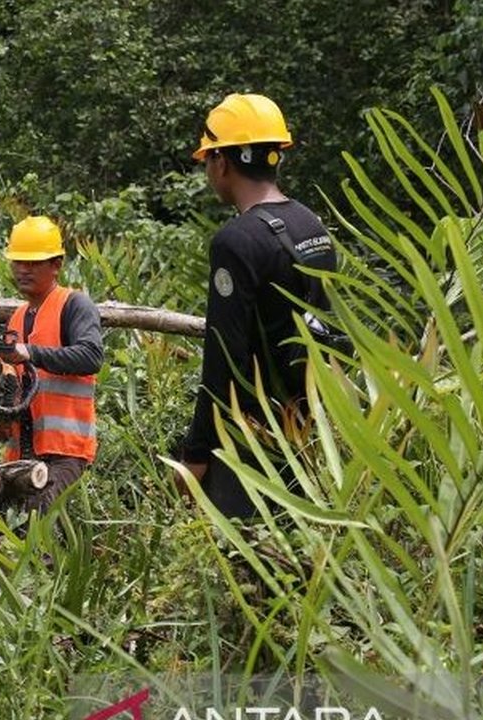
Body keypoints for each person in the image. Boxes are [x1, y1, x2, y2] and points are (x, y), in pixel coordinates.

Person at [177, 93, 337, 518]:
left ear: (221, 162)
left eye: (207, 159)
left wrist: (196, 452)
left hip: (252, 441)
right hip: (311, 428)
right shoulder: (312, 225)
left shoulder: (237, 242)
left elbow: (223, 359)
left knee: (247, 564)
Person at [0, 215, 104, 513]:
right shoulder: (17, 317)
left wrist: (30, 352)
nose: (23, 269)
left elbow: (91, 356)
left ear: (56, 264)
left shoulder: (74, 305)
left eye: (32, 263)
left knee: (41, 521)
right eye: (18, 262)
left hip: (63, 451)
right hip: (21, 452)